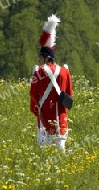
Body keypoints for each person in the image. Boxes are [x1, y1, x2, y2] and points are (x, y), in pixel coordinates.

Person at [29, 14, 73, 152]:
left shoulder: (39, 72)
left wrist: (36, 110)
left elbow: (33, 95)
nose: (39, 60)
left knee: (44, 154)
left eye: (40, 57)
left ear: (45, 57)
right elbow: (69, 95)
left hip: (44, 118)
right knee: (61, 154)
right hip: (61, 119)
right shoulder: (65, 72)